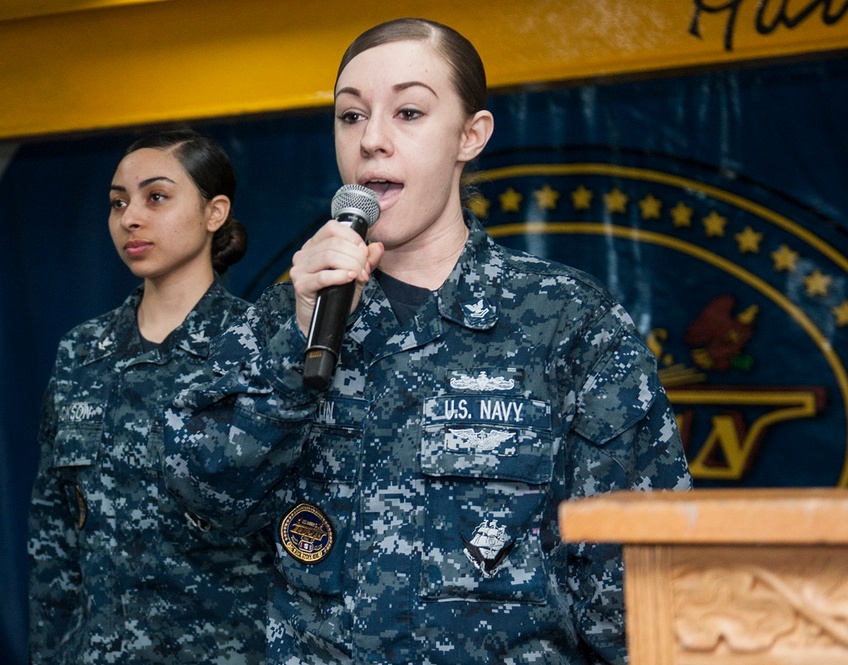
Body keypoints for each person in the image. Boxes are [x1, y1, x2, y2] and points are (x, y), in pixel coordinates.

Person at [165, 17, 691, 664]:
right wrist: (292, 340)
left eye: (409, 111)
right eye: (350, 116)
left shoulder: (568, 322)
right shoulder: (287, 313)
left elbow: (639, 581)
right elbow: (203, 508)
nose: (373, 141)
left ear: (471, 135)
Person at [27, 129, 272, 664]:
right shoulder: (82, 352)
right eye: (118, 202)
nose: (130, 218)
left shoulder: (258, 347)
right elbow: (54, 541)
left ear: (214, 213)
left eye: (155, 197)